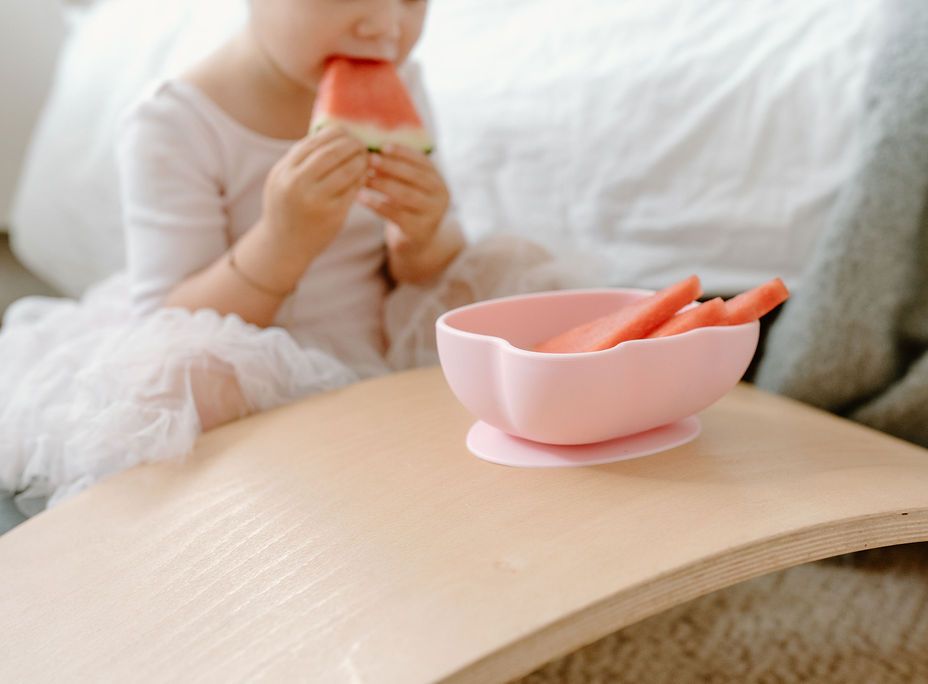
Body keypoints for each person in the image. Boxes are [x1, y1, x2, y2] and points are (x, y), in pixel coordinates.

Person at [0, 0, 581, 523]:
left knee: (518, 288)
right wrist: (282, 241)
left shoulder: (401, 81)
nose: (384, 23)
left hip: (383, 336)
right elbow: (166, 321)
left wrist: (421, 236)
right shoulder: (173, 122)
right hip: (252, 364)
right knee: (181, 379)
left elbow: (416, 270)